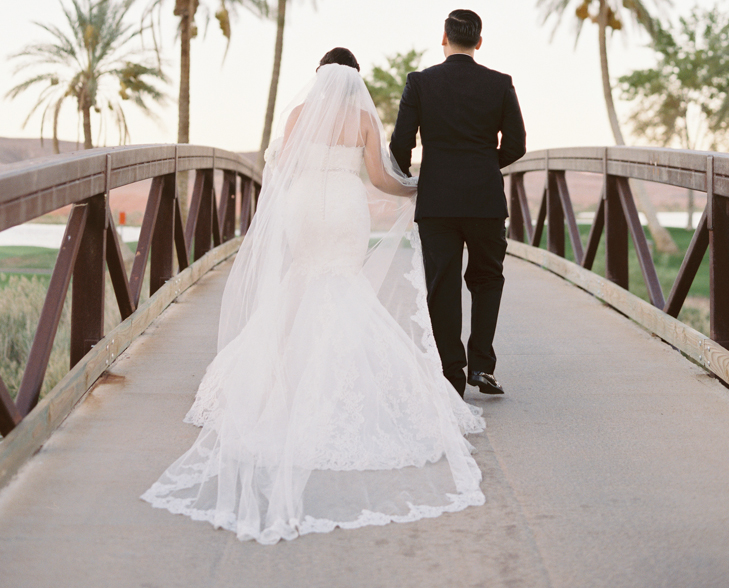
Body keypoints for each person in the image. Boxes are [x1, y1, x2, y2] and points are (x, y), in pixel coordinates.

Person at [142, 48, 485, 544]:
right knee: (341, 283)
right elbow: (379, 177)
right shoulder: (365, 117)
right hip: (345, 206)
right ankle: (340, 378)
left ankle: (283, 377)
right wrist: (414, 187)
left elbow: (284, 171)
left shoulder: (299, 114)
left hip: (305, 206)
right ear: (355, 80)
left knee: (302, 281)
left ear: (319, 78)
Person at [390, 10, 526, 398]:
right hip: (485, 200)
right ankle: (481, 366)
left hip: (437, 203)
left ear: (444, 38)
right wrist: (483, 165)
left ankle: (451, 372)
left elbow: (402, 141)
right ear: (479, 42)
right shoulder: (500, 84)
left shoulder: (420, 82)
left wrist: (411, 178)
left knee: (442, 284)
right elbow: (516, 145)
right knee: (487, 280)